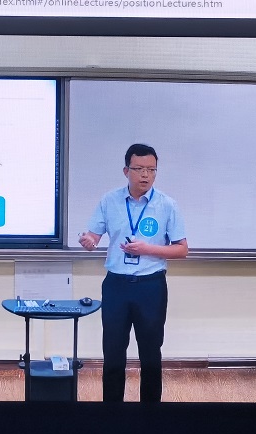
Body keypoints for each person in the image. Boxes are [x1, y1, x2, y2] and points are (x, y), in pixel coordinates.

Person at [79, 143, 188, 402]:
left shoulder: (167, 205)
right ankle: (112, 412)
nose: (145, 175)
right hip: (116, 285)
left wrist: (147, 249)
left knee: (150, 354)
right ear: (126, 171)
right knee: (113, 353)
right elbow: (94, 236)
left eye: (151, 169)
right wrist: (89, 241)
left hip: (151, 286)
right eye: (139, 169)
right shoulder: (110, 201)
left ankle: (150, 414)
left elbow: (182, 249)